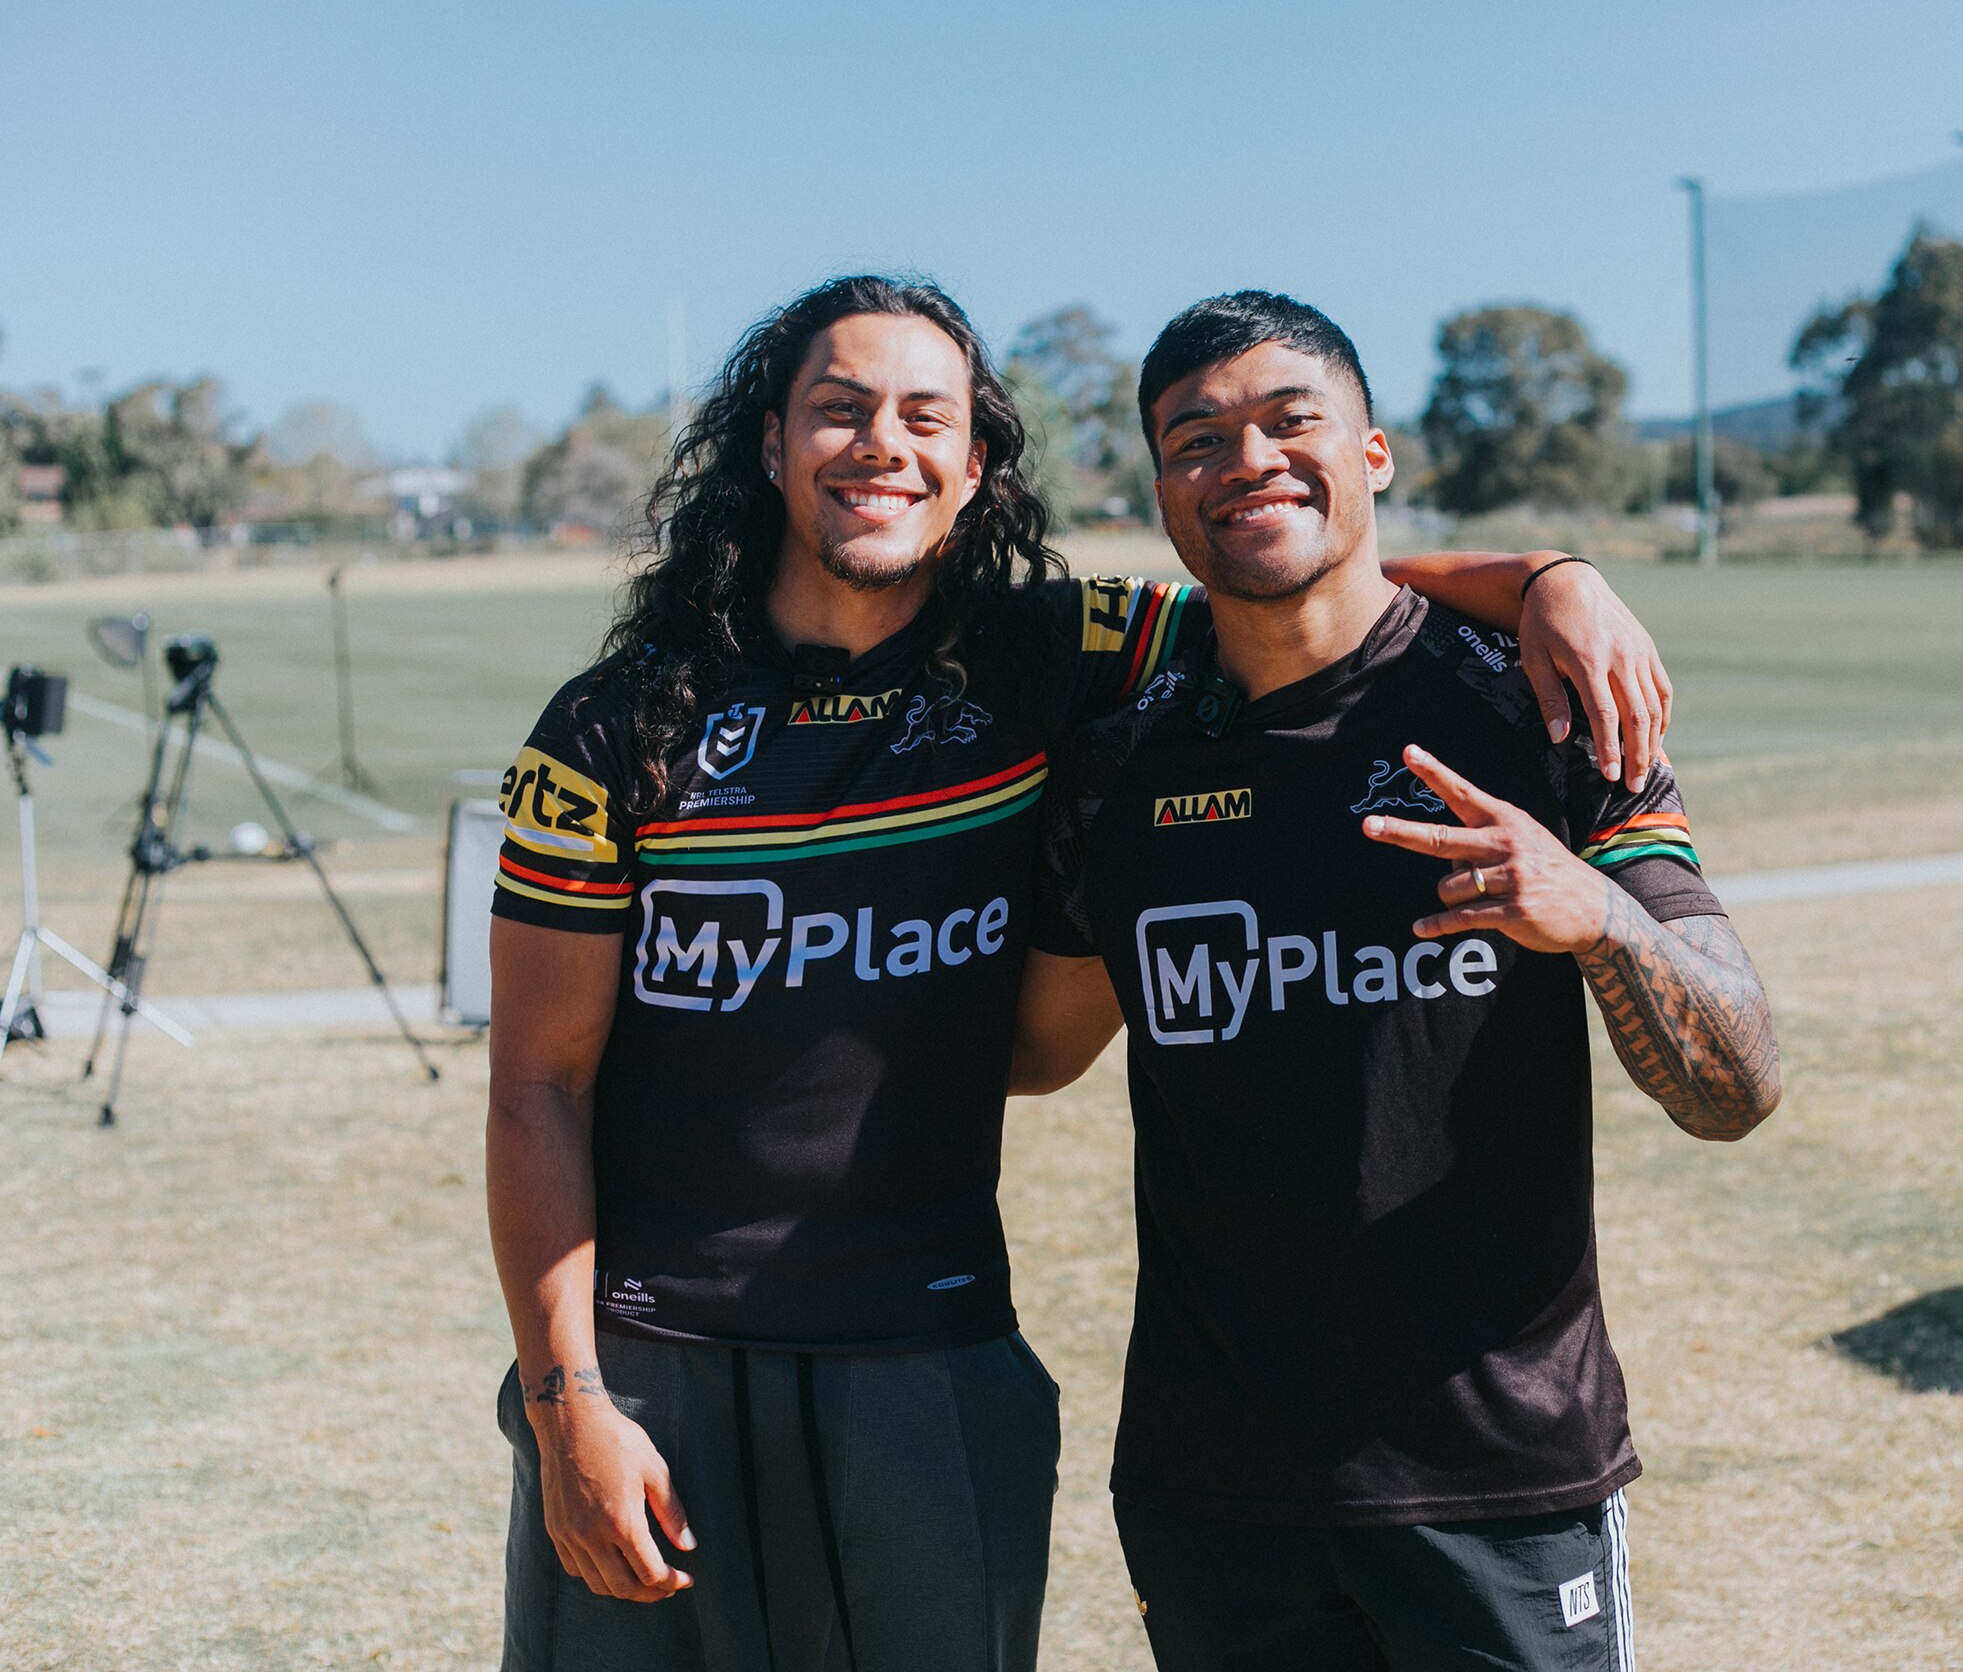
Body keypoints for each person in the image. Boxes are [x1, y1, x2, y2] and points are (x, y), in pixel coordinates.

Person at [484, 272, 1678, 1672]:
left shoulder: (1049, 655)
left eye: (925, 415)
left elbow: (1294, 573)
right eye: (838, 409)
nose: (882, 442)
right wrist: (568, 1399)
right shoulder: (618, 727)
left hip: (929, 1355)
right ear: (768, 443)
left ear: (975, 459)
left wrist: (1550, 577)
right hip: (651, 1362)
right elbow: (533, 1085)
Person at [1011, 291, 1782, 1671]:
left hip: (1499, 1479)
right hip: (1215, 1493)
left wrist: (1599, 915)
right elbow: (1034, 1049)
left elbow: (1738, 1088)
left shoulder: (1540, 709)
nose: (1246, 460)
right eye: (1197, 439)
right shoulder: (1119, 767)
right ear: (1161, 490)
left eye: (1291, 420)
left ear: (1374, 454)